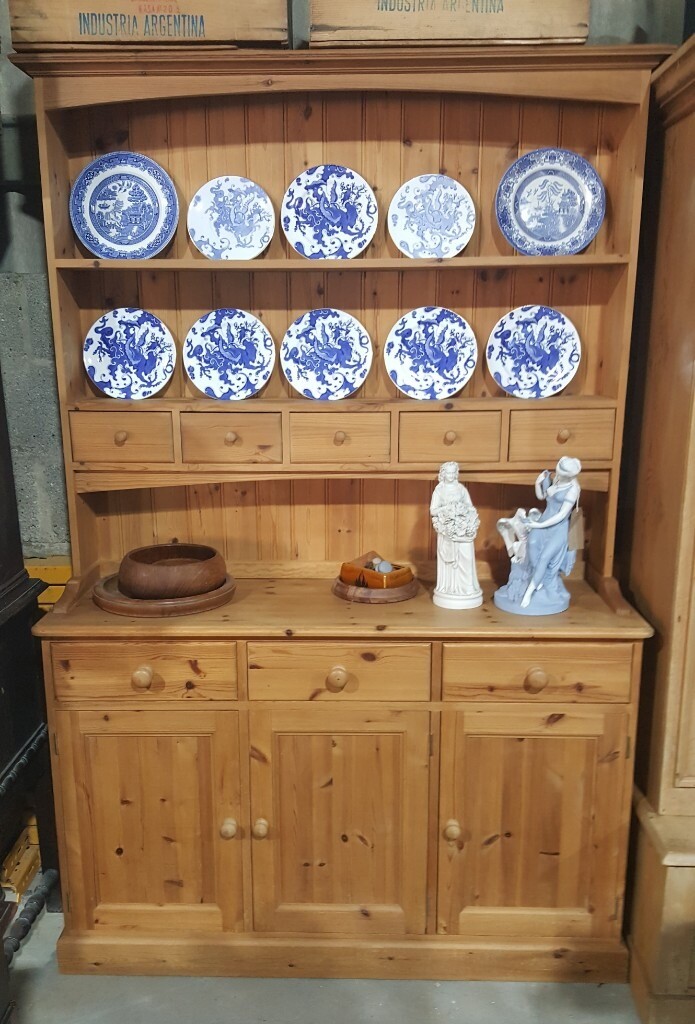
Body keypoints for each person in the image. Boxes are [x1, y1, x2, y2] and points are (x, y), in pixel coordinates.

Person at [520, 455, 581, 608]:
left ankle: (529, 591)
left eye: (562, 473)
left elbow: (561, 515)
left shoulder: (573, 489)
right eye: (558, 471)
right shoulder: (557, 480)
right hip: (543, 521)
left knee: (545, 557)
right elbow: (542, 496)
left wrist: (538, 526)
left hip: (558, 528)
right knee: (532, 545)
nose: (558, 474)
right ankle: (537, 579)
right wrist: (537, 483)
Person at [430, 461, 482, 610]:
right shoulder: (439, 491)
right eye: (448, 473)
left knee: (466, 557)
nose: (451, 476)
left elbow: (470, 507)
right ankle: (449, 588)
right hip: (447, 532)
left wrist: (463, 514)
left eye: (454, 473)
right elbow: (433, 510)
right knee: (449, 562)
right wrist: (448, 510)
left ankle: (467, 588)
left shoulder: (461, 489)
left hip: (463, 531)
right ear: (443, 474)